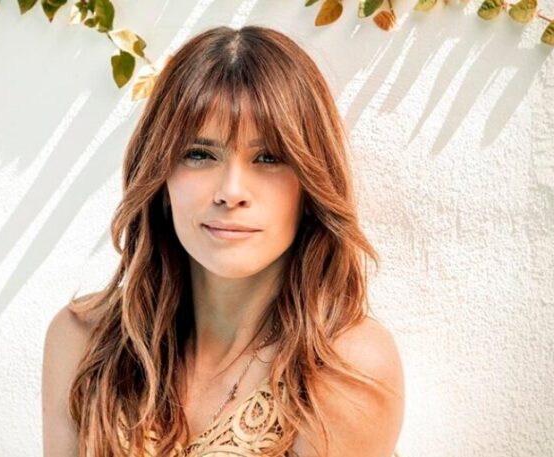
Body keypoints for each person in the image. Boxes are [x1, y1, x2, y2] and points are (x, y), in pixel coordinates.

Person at [42, 24, 405, 457]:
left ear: (311, 185)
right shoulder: (82, 341)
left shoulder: (346, 367)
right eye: (199, 154)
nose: (231, 192)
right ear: (160, 177)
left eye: (268, 157)